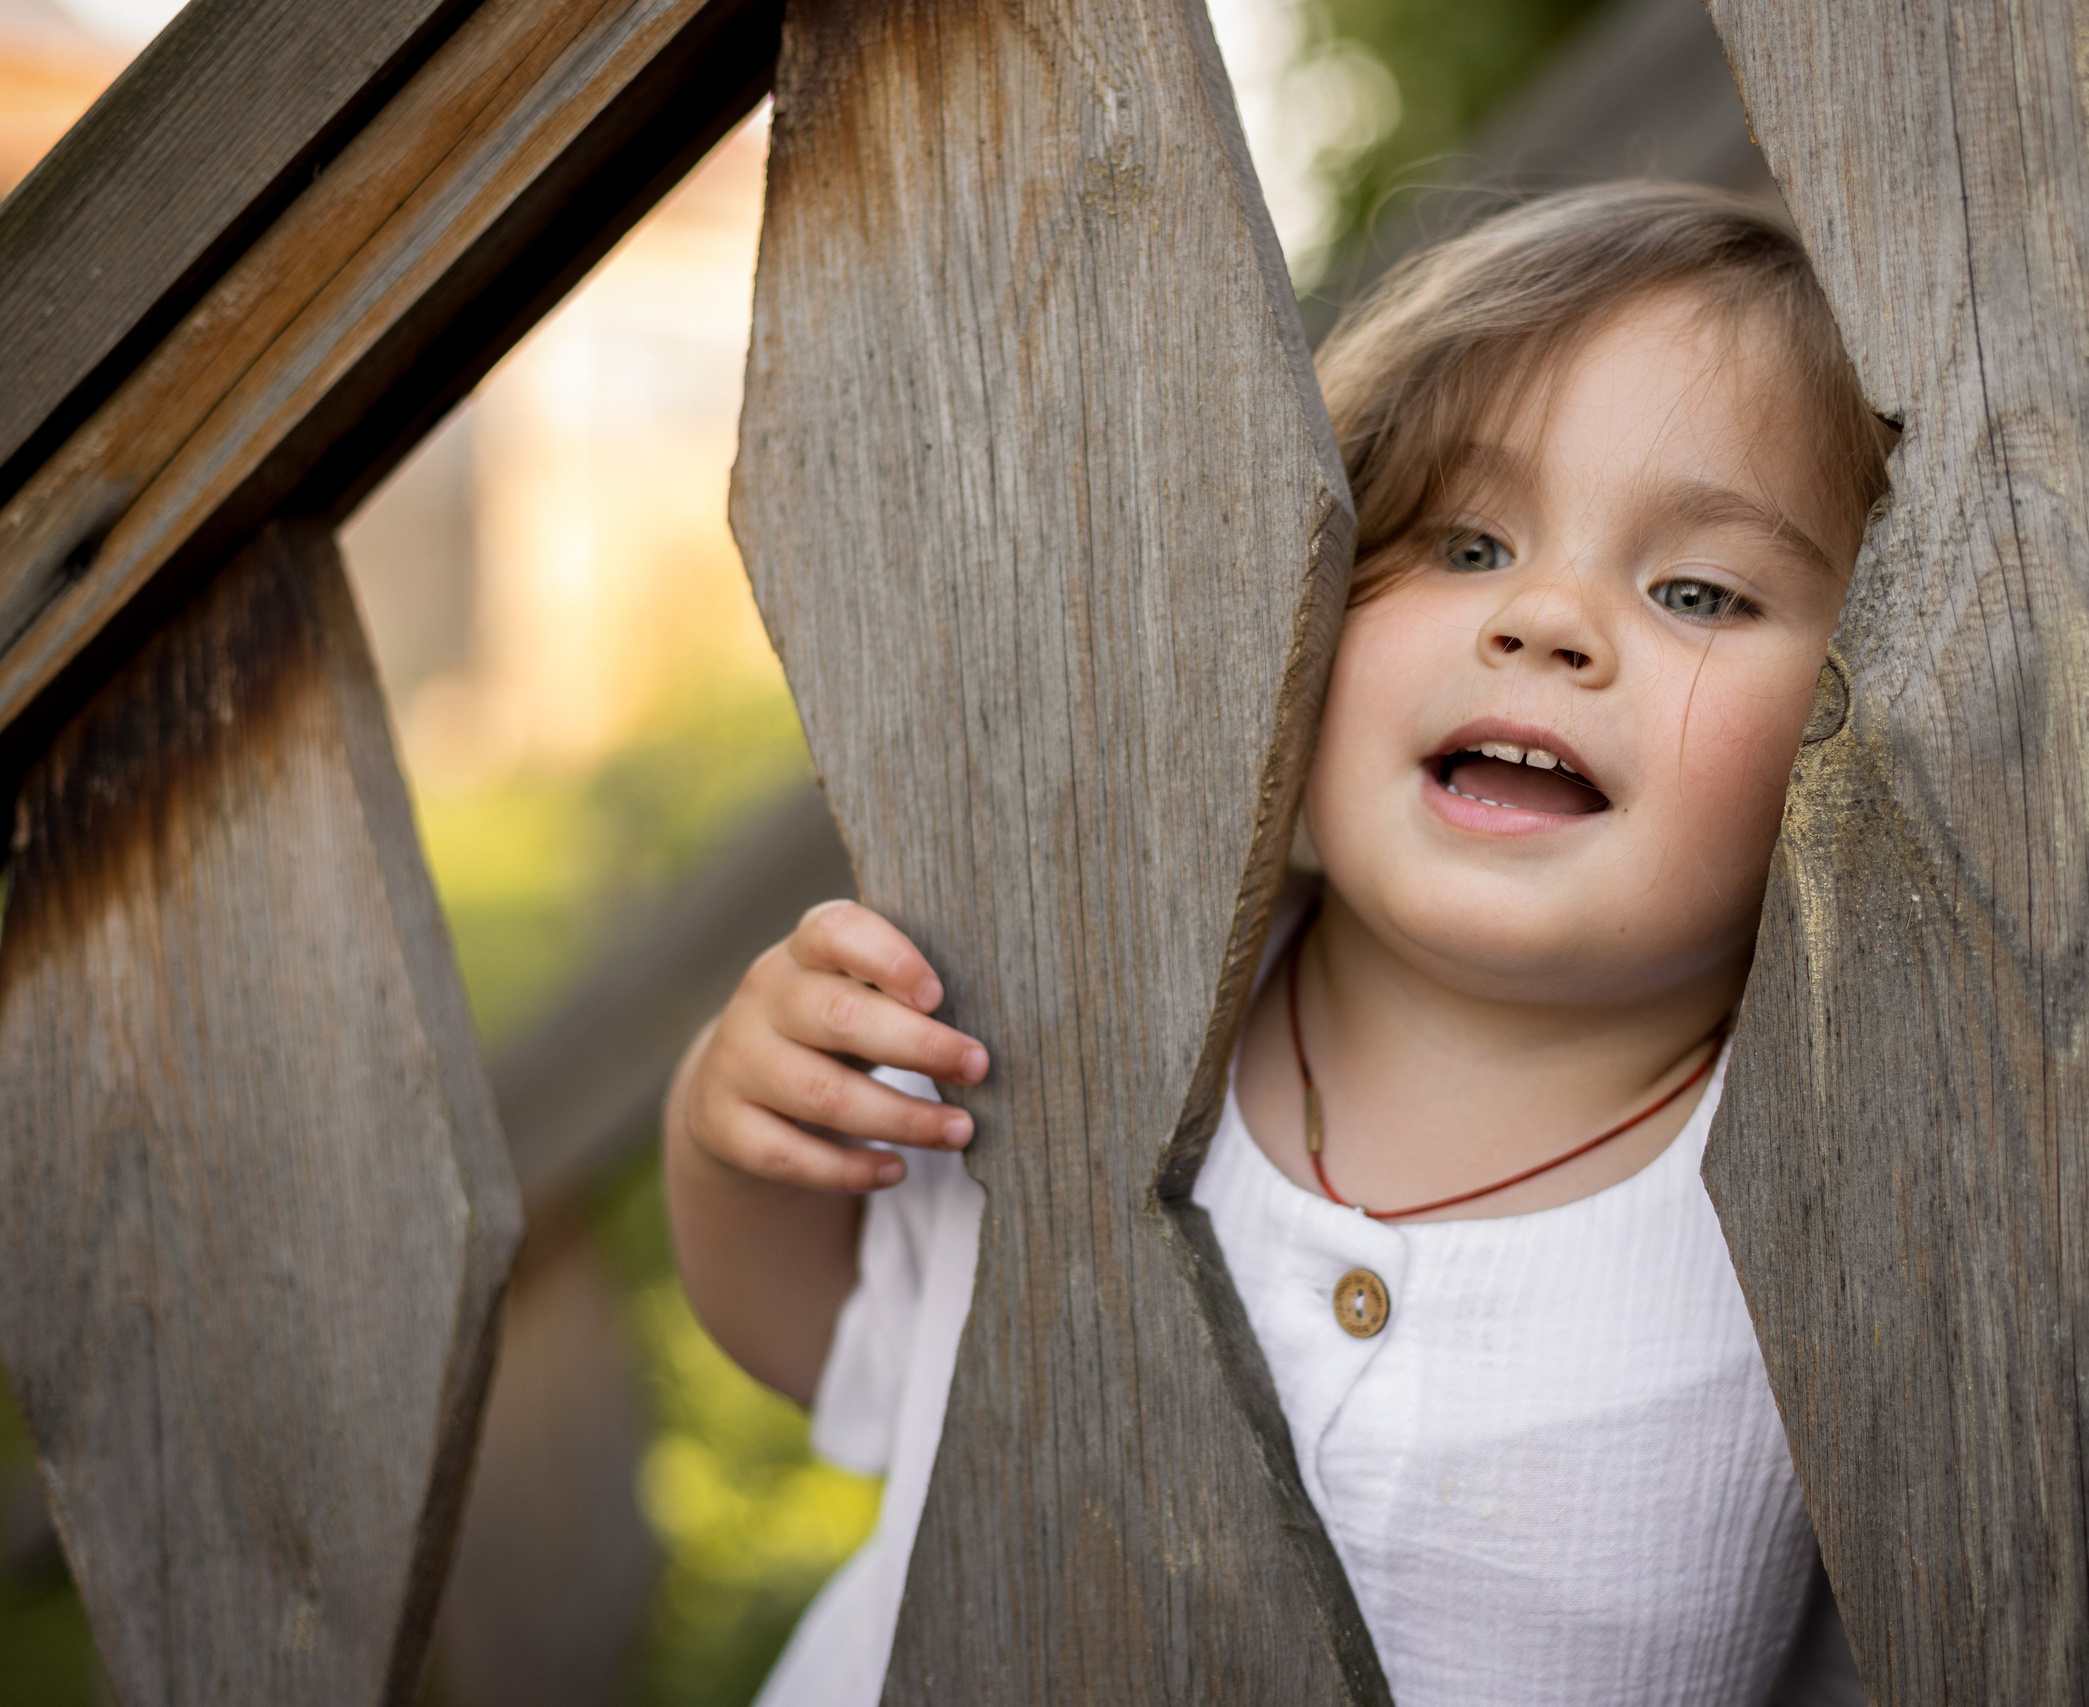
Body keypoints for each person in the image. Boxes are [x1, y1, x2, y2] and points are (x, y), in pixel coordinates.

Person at [664, 181, 1890, 1707]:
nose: (1547, 620)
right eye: (1465, 545)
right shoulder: (1095, 994)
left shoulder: (1861, 1211)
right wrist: (736, 1127)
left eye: (1698, 591)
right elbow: (832, 1340)